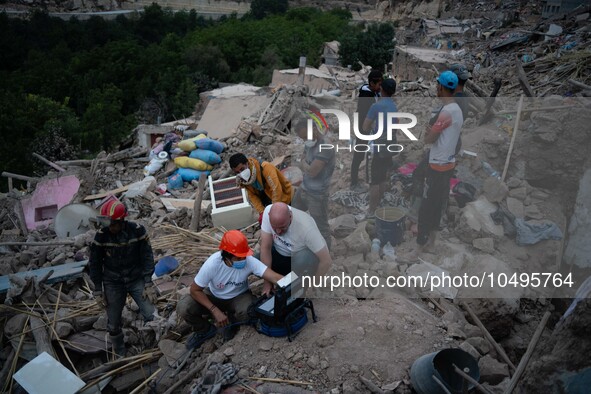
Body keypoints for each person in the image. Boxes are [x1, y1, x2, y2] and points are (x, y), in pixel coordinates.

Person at [177, 230, 284, 348]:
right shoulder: (213, 264)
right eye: (238, 258)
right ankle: (204, 330)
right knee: (184, 306)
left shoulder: (249, 260)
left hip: (239, 296)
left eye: (244, 256)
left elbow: (273, 276)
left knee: (250, 312)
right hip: (214, 296)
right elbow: (194, 290)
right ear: (226, 256)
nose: (243, 260)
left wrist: (297, 282)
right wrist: (214, 310)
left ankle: (232, 320)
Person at [404, 71, 463, 260]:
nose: (436, 88)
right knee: (437, 205)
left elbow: (428, 139)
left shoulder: (446, 113)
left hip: (437, 166)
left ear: (441, 87)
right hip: (448, 165)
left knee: (426, 207)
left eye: (438, 85)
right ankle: (432, 243)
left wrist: (429, 131)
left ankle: (418, 248)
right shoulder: (457, 110)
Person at [89, 199, 158, 357]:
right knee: (113, 323)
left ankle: (153, 346)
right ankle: (120, 353)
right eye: (108, 224)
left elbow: (147, 257)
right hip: (113, 282)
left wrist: (148, 283)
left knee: (151, 314)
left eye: (113, 224)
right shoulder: (101, 236)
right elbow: (95, 264)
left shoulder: (137, 231)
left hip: (136, 278)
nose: (110, 227)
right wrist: (98, 290)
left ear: (122, 221)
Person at [259, 202, 331, 296]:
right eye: (274, 227)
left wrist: (314, 284)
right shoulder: (268, 212)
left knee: (304, 257)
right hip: (281, 256)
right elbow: (265, 247)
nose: (278, 231)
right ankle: (282, 280)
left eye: (282, 227)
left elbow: (326, 261)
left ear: (290, 216)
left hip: (298, 262)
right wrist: (267, 282)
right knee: (256, 261)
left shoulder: (306, 227)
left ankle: (292, 284)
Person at [292, 118, 335, 250]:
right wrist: (306, 165)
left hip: (317, 194)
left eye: (306, 137)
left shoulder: (326, 146)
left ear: (315, 130)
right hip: (304, 188)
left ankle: (326, 255)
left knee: (321, 227)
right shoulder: (310, 142)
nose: (305, 140)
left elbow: (312, 171)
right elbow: (303, 161)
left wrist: (305, 165)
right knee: (294, 216)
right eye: (303, 138)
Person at [361, 78, 398, 217]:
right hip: (390, 145)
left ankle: (371, 211)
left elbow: (365, 126)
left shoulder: (376, 106)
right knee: (383, 177)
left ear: (381, 89)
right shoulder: (394, 106)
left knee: (374, 181)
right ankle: (380, 204)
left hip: (377, 147)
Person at [229, 153, 293, 223]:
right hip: (267, 198)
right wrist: (262, 212)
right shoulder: (242, 180)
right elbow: (252, 196)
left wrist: (274, 210)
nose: (241, 173)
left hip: (284, 196)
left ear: (247, 163)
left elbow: (276, 189)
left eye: (242, 169)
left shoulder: (265, 168)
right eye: (237, 172)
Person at [351, 69, 382, 191]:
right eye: (379, 84)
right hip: (363, 129)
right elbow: (367, 116)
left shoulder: (373, 92)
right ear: (372, 83)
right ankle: (354, 183)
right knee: (359, 155)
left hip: (369, 129)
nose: (380, 87)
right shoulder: (366, 95)